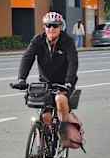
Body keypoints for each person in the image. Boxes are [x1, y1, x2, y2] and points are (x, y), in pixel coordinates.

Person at [11, 11, 79, 147]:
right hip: (45, 82)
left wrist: (68, 83)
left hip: (64, 82)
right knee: (44, 117)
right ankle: (38, 152)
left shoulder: (67, 41)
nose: (51, 29)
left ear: (61, 27)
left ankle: (63, 129)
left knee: (60, 99)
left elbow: (73, 62)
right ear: (44, 27)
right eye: (48, 26)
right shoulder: (38, 40)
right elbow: (27, 58)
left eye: (55, 26)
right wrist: (21, 79)